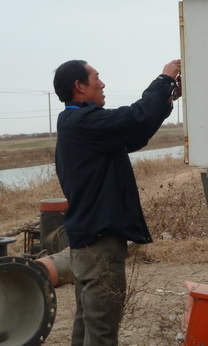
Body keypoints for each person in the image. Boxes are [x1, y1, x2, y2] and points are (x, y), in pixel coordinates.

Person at [53, 59, 181, 345]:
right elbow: (134, 118)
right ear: (79, 86)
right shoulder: (85, 122)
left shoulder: (75, 122)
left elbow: (134, 133)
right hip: (99, 244)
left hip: (89, 240)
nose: (103, 84)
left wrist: (166, 99)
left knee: (88, 324)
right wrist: (163, 81)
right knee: (101, 332)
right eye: (96, 77)